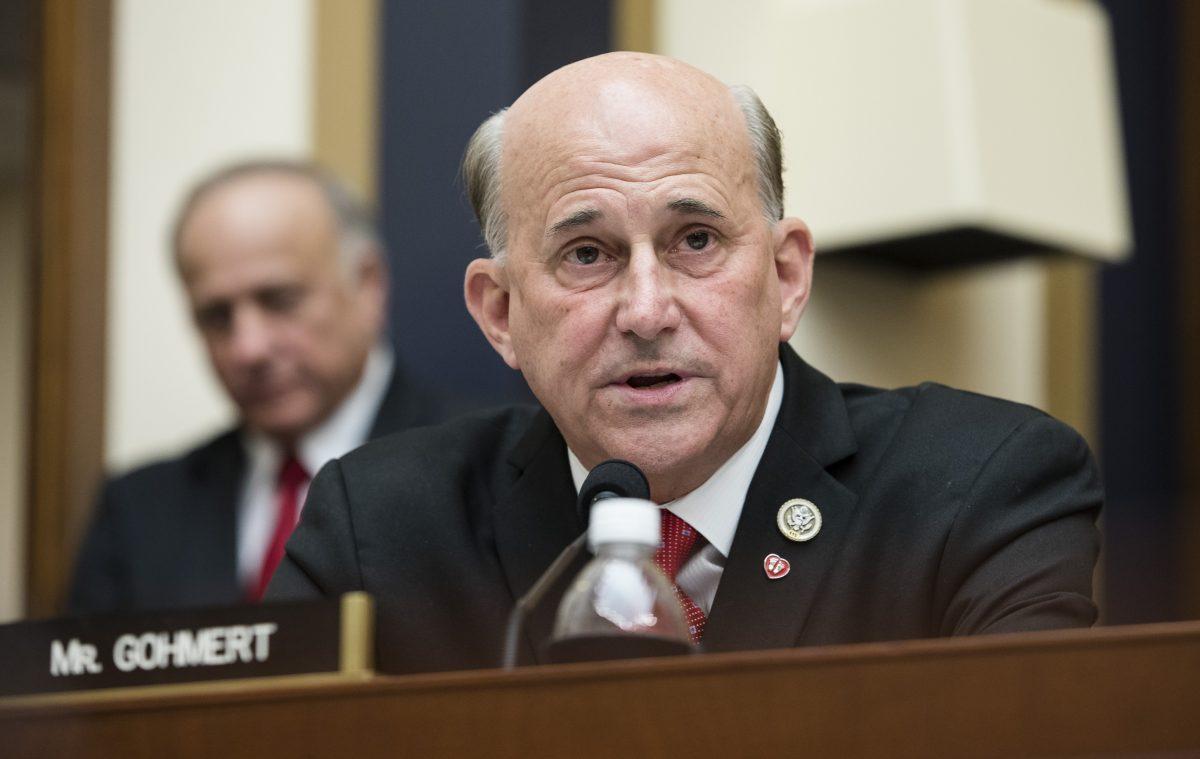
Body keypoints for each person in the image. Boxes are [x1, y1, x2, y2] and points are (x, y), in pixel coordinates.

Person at [267, 53, 1102, 674]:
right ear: (500, 313)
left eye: (695, 241)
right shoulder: (378, 528)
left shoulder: (984, 486)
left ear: (784, 276)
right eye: (586, 254)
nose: (646, 310)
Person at [70, 161, 443, 613]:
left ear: (368, 285)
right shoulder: (138, 511)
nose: (249, 349)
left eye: (279, 300)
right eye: (217, 317)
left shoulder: (482, 469)